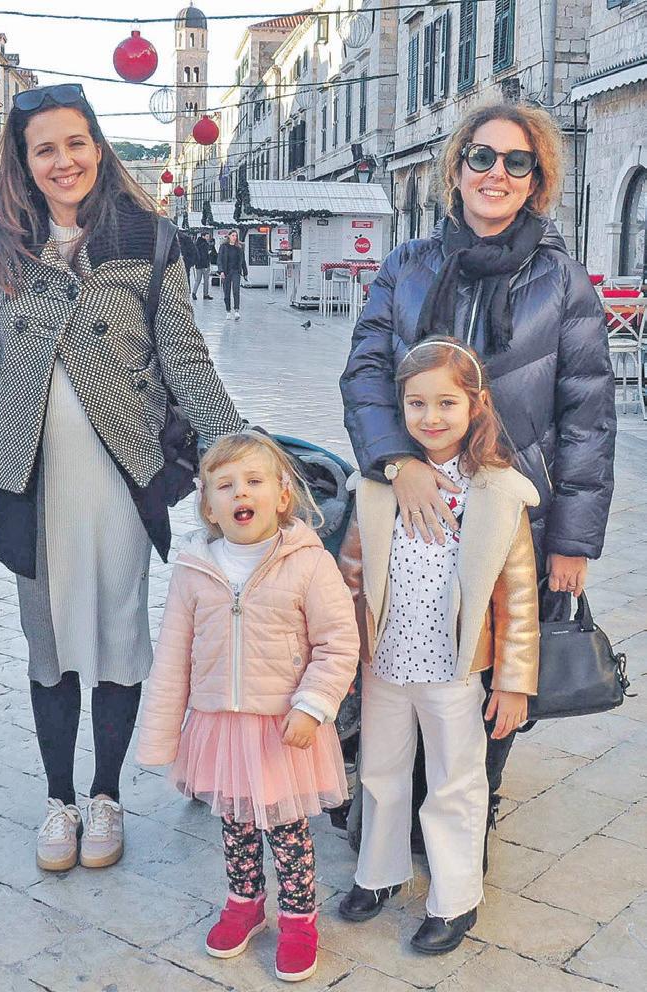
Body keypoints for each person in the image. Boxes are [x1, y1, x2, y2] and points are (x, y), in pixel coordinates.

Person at [0, 83, 242, 873]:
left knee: (121, 632)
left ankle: (106, 795)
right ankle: (58, 800)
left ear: (98, 147)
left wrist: (235, 449)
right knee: (47, 641)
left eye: (75, 143)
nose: (63, 162)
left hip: (123, 468)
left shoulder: (148, 238)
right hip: (28, 470)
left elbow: (184, 356)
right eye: (44, 149)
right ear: (23, 161)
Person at [339, 101, 615, 813]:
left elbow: (587, 417)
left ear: (536, 180)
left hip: (514, 512)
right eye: (482, 157)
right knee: (409, 650)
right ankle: (407, 797)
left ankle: (473, 801)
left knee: (497, 665)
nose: (497, 173)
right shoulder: (406, 267)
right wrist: (397, 462)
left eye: (517, 161)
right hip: (415, 505)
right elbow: (366, 373)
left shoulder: (564, 281)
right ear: (456, 170)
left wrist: (574, 541)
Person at [337, 337, 539, 954]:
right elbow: (350, 576)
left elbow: (518, 597)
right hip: (385, 663)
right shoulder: (378, 485)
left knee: (455, 781)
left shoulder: (499, 492)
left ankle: (455, 898)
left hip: (454, 671)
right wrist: (342, 656)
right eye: (416, 403)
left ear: (476, 405)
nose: (431, 417)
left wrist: (513, 681)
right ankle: (379, 871)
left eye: (447, 403)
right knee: (380, 771)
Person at [137, 432, 359, 984]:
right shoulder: (195, 568)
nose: (241, 492)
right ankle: (244, 902)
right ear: (208, 506)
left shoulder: (307, 563)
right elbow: (173, 657)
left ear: (282, 496)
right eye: (226, 485)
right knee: (235, 822)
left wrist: (314, 704)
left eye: (254, 481)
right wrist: (162, 737)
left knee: (287, 828)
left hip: (284, 726)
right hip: (220, 725)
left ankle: (299, 917)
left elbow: (338, 642)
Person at [219, 230, 247, 319]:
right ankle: (228, 311)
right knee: (226, 292)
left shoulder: (239, 247)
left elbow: (243, 260)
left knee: (236, 290)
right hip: (226, 272)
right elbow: (219, 259)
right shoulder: (223, 247)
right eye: (233, 235)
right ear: (229, 236)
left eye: (236, 236)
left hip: (236, 271)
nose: (235, 237)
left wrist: (245, 272)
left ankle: (236, 310)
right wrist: (221, 271)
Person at [191, 231, 214, 300]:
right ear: (203, 236)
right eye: (207, 236)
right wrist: (206, 264)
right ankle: (205, 295)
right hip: (204, 265)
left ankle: (194, 293)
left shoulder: (196, 243)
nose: (208, 238)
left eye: (208, 236)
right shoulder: (205, 244)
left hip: (198, 265)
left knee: (198, 280)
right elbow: (204, 256)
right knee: (206, 280)